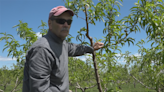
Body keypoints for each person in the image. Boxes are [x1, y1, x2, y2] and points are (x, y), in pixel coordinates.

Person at [22, 6, 104, 92]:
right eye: (61, 21)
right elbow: (39, 90)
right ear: (50, 23)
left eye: (69, 22)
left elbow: (75, 49)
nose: (66, 25)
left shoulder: (62, 44)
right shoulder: (42, 49)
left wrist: (91, 49)